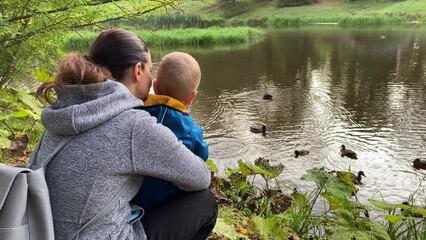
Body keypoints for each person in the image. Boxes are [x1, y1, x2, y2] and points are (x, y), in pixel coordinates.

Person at [33, 28, 217, 240]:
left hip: (42, 231)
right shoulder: (133, 126)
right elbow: (200, 177)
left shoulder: (64, 110)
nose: (151, 81)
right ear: (138, 70)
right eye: (150, 70)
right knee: (204, 203)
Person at [131, 52, 208, 211]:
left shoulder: (136, 113)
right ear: (191, 97)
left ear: (155, 86)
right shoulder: (192, 133)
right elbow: (202, 158)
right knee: (203, 197)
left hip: (132, 203)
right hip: (164, 207)